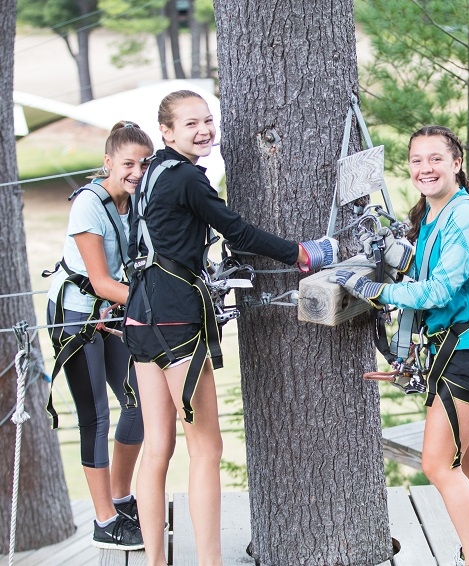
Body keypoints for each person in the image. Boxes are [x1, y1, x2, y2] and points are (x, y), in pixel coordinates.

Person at [123, 90, 338, 566]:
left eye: (208, 121)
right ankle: (210, 562)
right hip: (177, 319)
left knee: (158, 445)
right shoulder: (187, 179)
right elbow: (236, 231)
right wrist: (301, 253)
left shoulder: (151, 173)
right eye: (191, 124)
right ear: (167, 130)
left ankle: (155, 560)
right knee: (206, 446)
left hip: (140, 314)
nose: (204, 131)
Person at [335, 125, 469, 566]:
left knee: (438, 466)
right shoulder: (433, 214)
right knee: (467, 465)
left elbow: (439, 292)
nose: (425, 168)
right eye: (416, 160)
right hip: (462, 350)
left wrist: (373, 291)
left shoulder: (465, 215)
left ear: (457, 163)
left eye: (435, 159)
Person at [45, 121, 154, 550]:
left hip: (115, 314)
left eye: (144, 164)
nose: (136, 172)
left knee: (140, 402)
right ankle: (104, 522)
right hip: (77, 317)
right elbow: (101, 280)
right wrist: (160, 306)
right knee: (95, 417)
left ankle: (121, 496)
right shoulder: (89, 205)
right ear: (108, 162)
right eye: (127, 163)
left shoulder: (137, 203)